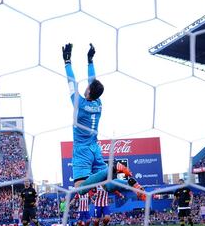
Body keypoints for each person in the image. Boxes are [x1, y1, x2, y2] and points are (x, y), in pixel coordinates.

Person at [62, 43, 145, 200]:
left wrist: (67, 62)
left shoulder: (80, 104)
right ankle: (129, 181)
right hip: (95, 148)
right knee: (107, 186)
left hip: (82, 150)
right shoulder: (98, 104)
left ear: (88, 90)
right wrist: (90, 61)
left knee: (80, 189)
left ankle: (114, 168)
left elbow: (71, 82)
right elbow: (93, 82)